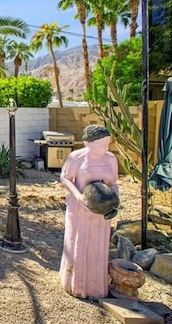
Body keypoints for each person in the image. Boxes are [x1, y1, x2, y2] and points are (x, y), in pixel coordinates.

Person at [59, 124, 120, 299]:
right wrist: (78, 196)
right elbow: (65, 177)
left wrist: (115, 200)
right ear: (88, 143)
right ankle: (75, 283)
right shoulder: (76, 157)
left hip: (102, 210)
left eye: (107, 144)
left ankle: (96, 286)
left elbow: (113, 183)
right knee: (79, 242)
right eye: (102, 144)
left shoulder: (110, 159)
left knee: (98, 245)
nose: (106, 148)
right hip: (81, 210)